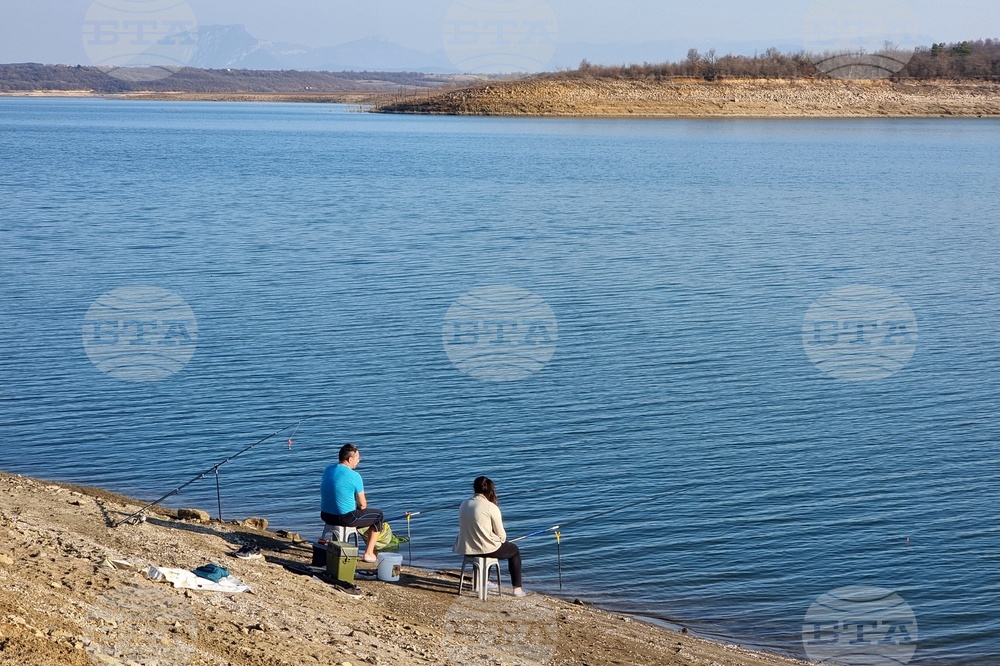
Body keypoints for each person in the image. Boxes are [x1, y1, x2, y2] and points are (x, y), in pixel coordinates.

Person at [453, 476, 526, 597]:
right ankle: (517, 589)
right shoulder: (491, 507)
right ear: (490, 490)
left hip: (466, 548)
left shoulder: (463, 504)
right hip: (484, 549)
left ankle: (485, 581)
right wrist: (498, 539)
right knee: (514, 551)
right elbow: (502, 535)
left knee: (488, 544)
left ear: (474, 488)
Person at [320, 444, 384, 563]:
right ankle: (368, 553)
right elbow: (362, 505)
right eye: (357, 458)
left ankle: (334, 543)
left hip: (325, 515)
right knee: (378, 516)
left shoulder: (328, 469)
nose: (359, 461)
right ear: (350, 459)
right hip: (345, 518)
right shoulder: (355, 476)